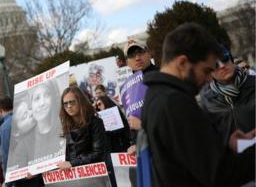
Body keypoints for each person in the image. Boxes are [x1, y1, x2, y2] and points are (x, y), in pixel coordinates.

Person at [141, 22, 255, 186]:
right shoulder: (173, 103)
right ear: (182, 63)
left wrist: (225, 140)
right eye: (206, 70)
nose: (209, 78)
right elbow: (219, 174)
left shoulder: (158, 95)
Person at [200, 46, 255, 146]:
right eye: (215, 64)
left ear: (231, 59)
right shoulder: (207, 99)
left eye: (224, 58)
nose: (222, 66)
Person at [123, 38, 159, 187]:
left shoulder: (161, 77)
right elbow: (132, 120)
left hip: (163, 154)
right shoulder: (126, 87)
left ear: (149, 53)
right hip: (143, 154)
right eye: (132, 55)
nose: (137, 58)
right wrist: (133, 143)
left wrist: (143, 125)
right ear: (127, 62)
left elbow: (173, 122)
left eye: (140, 52)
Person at [57, 86, 107, 170]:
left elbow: (98, 153)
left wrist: (72, 164)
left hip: (93, 174)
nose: (69, 106)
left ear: (80, 102)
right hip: (71, 175)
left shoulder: (95, 122)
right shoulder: (64, 126)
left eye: (72, 102)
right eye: (65, 104)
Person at [95, 95, 131, 187]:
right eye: (96, 105)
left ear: (105, 102)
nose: (98, 107)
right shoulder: (98, 118)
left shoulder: (115, 112)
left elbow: (123, 129)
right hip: (109, 152)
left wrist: (108, 132)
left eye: (99, 104)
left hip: (120, 149)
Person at [0, 97, 13, 179]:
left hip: (18, 173)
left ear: (0, 109)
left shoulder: (4, 127)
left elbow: (6, 153)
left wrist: (8, 178)